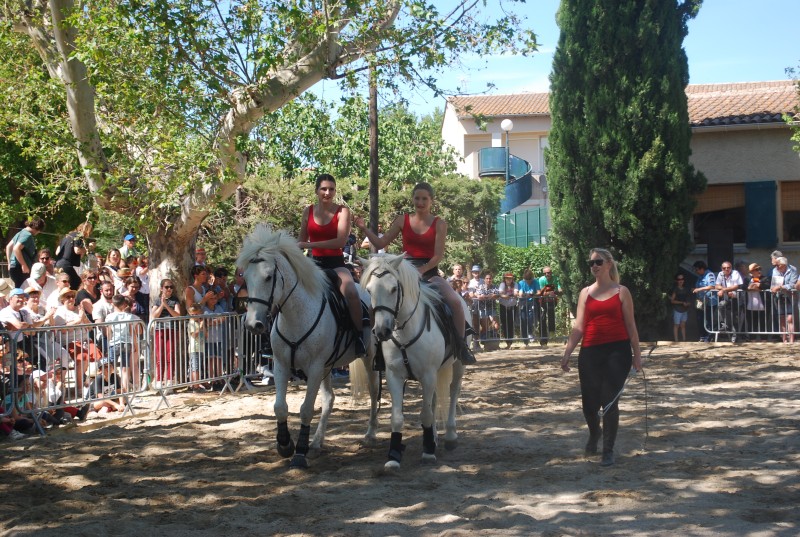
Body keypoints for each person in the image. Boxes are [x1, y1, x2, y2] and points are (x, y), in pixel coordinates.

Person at [355, 182, 475, 364]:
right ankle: (377, 350)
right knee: (376, 306)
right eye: (417, 198)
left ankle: (460, 347)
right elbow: (380, 244)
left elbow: (437, 256)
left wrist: (422, 270)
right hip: (404, 272)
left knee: (455, 303)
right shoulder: (402, 220)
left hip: (430, 272)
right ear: (412, 199)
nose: (420, 202)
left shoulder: (439, 223)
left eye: (424, 199)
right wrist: (364, 228)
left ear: (431, 201)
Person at [561, 248, 642, 467]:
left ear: (608, 264)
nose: (594, 266)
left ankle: (608, 449)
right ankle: (594, 433)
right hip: (590, 351)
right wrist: (568, 352)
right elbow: (578, 326)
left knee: (609, 401)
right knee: (589, 403)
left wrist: (637, 354)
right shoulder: (585, 293)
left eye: (598, 262)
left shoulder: (621, 291)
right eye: (591, 263)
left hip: (618, 351)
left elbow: (630, 325)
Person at [299, 174, 366, 356]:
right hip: (313, 265)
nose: (328, 192)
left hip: (336, 264)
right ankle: (275, 332)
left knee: (351, 291)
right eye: (324, 189)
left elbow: (339, 242)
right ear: (317, 191)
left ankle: (358, 336)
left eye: (331, 189)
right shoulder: (308, 211)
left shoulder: (343, 211)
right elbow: (300, 242)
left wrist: (308, 245)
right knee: (288, 289)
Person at [105, 294, 142, 393]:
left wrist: (108, 344)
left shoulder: (109, 317)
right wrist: (135, 345)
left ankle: (111, 388)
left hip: (114, 343)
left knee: (111, 366)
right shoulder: (129, 316)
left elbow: (108, 332)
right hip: (126, 343)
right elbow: (132, 331)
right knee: (125, 368)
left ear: (113, 304)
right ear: (124, 304)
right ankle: (125, 390)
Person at [150, 279, 181, 392]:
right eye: (167, 287)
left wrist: (167, 306)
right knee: (160, 355)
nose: (169, 289)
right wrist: (162, 305)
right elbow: (154, 315)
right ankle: (159, 380)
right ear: (161, 288)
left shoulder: (175, 300)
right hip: (160, 330)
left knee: (170, 355)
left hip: (172, 329)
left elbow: (177, 315)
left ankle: (169, 380)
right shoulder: (157, 300)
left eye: (171, 287)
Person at [5, 218, 46, 288]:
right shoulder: (27, 235)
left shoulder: (20, 233)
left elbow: (9, 247)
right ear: (38, 228)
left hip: (14, 267)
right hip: (20, 269)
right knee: (23, 291)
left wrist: (10, 263)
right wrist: (23, 265)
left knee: (19, 289)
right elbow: (16, 248)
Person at [54, 222, 91, 290]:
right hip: (66, 265)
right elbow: (77, 250)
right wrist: (88, 248)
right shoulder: (78, 236)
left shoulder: (66, 236)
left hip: (58, 264)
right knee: (78, 284)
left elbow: (57, 252)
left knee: (63, 286)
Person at [770, 257, 797, 343]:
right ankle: (784, 339)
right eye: (776, 265)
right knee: (781, 318)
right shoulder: (775, 270)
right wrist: (775, 288)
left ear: (784, 265)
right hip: (779, 296)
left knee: (790, 318)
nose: (776, 267)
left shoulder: (793, 269)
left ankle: (791, 340)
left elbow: (792, 284)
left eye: (778, 265)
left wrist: (781, 287)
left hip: (790, 296)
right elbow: (774, 283)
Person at [715, 261, 744, 343]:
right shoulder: (720, 274)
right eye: (724, 268)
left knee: (735, 318)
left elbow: (737, 286)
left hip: (736, 298)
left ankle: (735, 336)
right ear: (722, 269)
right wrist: (725, 290)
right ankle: (726, 325)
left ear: (731, 268)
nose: (726, 269)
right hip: (727, 297)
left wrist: (723, 290)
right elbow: (716, 285)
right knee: (721, 306)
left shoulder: (735, 273)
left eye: (728, 268)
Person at [691, 260, 718, 343]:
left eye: (697, 270)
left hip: (709, 301)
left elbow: (712, 286)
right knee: (699, 318)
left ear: (702, 268)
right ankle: (702, 336)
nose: (696, 271)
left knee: (708, 319)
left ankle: (708, 336)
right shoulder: (700, 276)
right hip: (700, 300)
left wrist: (699, 289)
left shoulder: (709, 274)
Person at [743, 263, 770, 340]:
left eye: (759, 269)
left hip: (762, 306)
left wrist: (758, 285)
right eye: (756, 270)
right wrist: (750, 287)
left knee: (763, 324)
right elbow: (743, 286)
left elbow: (767, 285)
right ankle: (752, 339)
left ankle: (764, 339)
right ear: (751, 272)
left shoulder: (765, 278)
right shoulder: (747, 279)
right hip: (750, 306)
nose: (759, 271)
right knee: (751, 324)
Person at [538, 266, 562, 346]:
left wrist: (551, 291)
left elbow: (560, 289)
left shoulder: (556, 278)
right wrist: (551, 291)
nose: (547, 274)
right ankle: (543, 339)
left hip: (552, 301)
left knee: (551, 316)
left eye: (549, 272)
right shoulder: (541, 279)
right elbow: (542, 292)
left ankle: (552, 331)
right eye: (545, 273)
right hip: (543, 302)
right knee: (542, 319)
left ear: (551, 272)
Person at [516, 268, 540, 345]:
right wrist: (525, 295)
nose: (529, 281)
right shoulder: (521, 283)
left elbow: (539, 293)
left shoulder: (535, 282)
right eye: (527, 279)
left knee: (531, 319)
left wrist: (533, 295)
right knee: (523, 320)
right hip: (523, 303)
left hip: (532, 303)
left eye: (530, 279)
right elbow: (520, 294)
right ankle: (525, 339)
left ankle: (530, 333)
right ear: (524, 278)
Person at [498, 272, 518, 348]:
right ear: (505, 278)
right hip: (503, 306)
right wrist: (505, 295)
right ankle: (507, 341)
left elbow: (516, 293)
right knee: (504, 324)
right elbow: (501, 293)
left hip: (512, 306)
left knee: (511, 324)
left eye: (510, 278)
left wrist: (509, 295)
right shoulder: (502, 284)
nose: (509, 279)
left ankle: (510, 342)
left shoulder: (515, 284)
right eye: (507, 278)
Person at [669, 273, 691, 342]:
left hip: (684, 310)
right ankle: (676, 340)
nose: (681, 281)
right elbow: (672, 301)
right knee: (676, 325)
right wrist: (682, 303)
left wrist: (687, 303)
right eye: (679, 279)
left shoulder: (686, 289)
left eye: (682, 279)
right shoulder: (675, 289)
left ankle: (684, 340)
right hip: (677, 310)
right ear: (676, 281)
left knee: (683, 325)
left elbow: (688, 300)